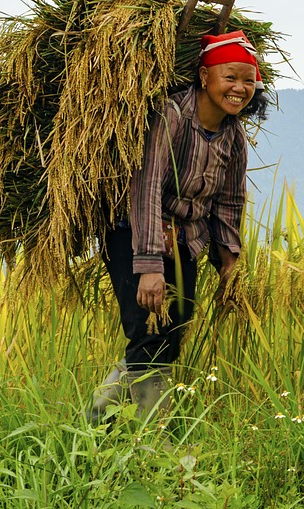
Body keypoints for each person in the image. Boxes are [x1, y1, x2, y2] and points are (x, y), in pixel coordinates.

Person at [85, 30, 268, 423]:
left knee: (170, 335)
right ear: (204, 77)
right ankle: (156, 439)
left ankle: (96, 425)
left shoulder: (233, 135)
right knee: (148, 333)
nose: (239, 88)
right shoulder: (171, 115)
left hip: (187, 240)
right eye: (230, 78)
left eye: (248, 80)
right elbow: (146, 185)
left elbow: (229, 202)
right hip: (135, 234)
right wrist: (148, 265)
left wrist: (230, 266)